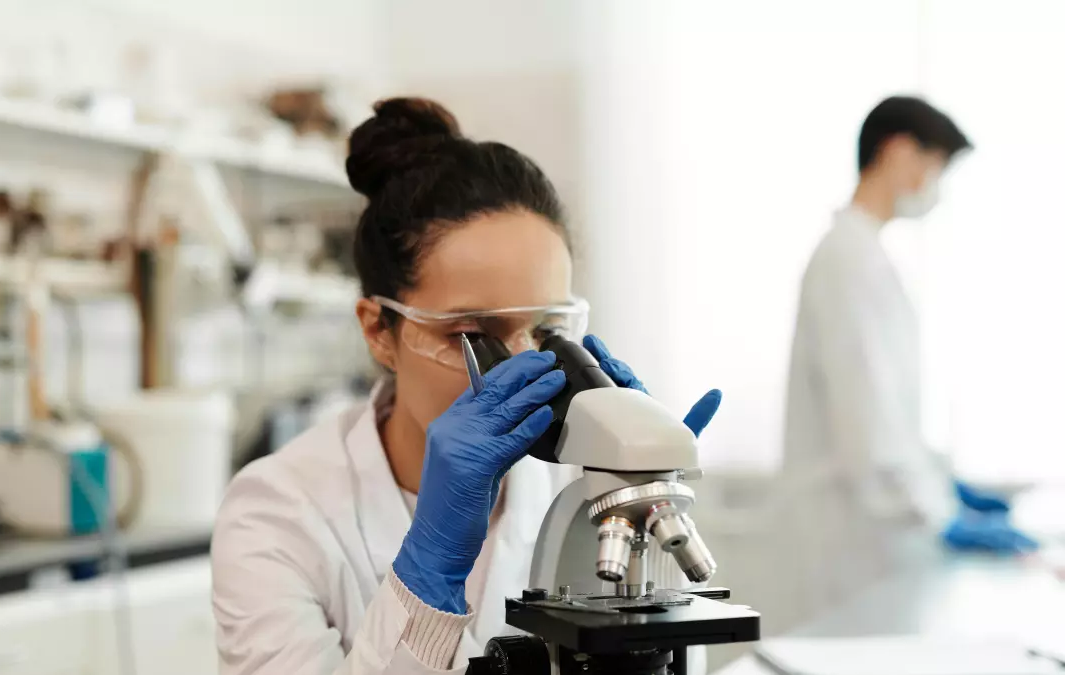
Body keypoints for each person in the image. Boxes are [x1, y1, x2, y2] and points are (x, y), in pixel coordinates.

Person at [211, 98, 722, 674]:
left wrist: (639, 484)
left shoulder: (578, 484)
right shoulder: (276, 514)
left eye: (549, 330)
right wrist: (429, 569)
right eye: (475, 334)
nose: (527, 366)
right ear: (380, 330)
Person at [782, 95, 1038, 624]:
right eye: (935, 165)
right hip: (852, 537)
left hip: (873, 531)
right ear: (898, 151)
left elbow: (889, 414)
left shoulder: (864, 255)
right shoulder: (848, 261)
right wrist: (936, 513)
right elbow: (866, 418)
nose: (934, 183)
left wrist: (944, 483)